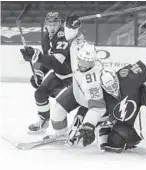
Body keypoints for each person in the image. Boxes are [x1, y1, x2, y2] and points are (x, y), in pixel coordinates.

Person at [44, 13, 106, 147]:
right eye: (81, 61)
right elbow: (72, 36)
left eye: (87, 63)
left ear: (93, 61)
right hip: (76, 89)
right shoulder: (79, 48)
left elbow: (97, 107)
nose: (83, 65)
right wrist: (70, 26)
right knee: (57, 112)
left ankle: (102, 126)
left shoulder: (94, 78)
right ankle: (60, 136)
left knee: (76, 138)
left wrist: (89, 125)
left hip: (87, 100)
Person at [20, 12, 87, 133]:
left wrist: (36, 55)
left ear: (60, 24)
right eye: (49, 24)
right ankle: (43, 122)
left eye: (55, 24)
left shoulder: (63, 36)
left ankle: (71, 128)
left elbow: (57, 61)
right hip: (59, 74)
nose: (52, 27)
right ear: (45, 25)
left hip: (75, 77)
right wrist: (39, 73)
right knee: (40, 94)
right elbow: (48, 60)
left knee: (63, 102)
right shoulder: (46, 39)